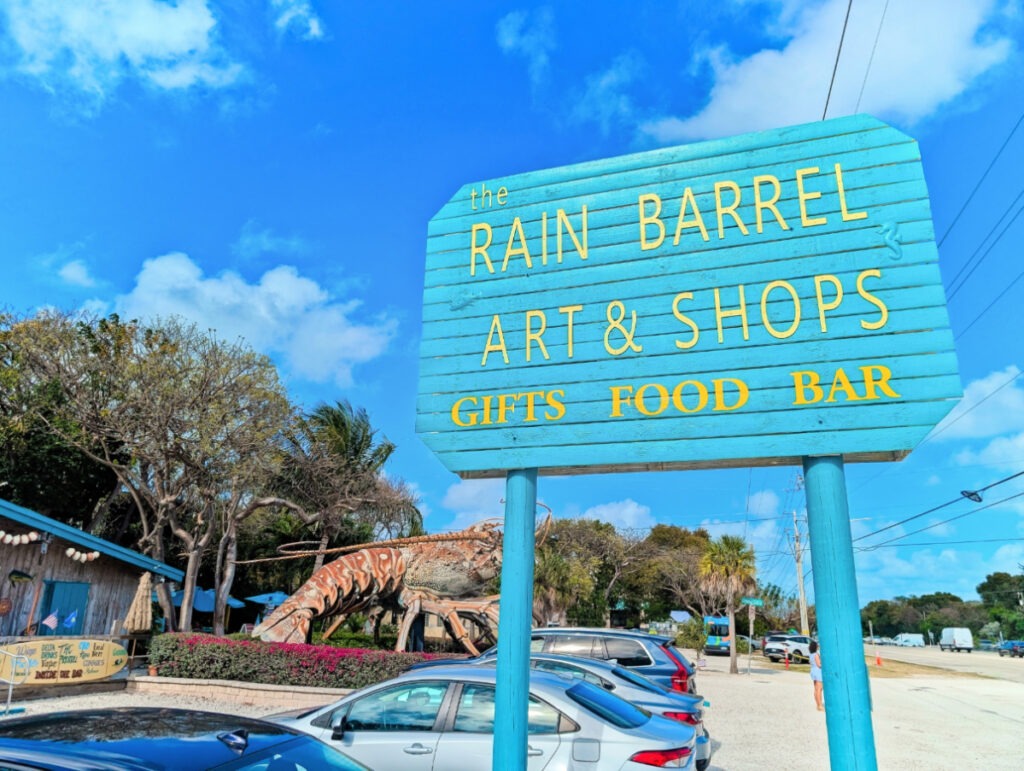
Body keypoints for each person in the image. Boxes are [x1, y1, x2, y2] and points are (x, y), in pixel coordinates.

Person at [809, 640, 824, 711]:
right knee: (819, 689)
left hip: (813, 671)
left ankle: (818, 704)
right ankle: (820, 705)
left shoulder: (811, 655)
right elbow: (819, 665)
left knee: (816, 689)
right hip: (818, 672)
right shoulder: (816, 655)